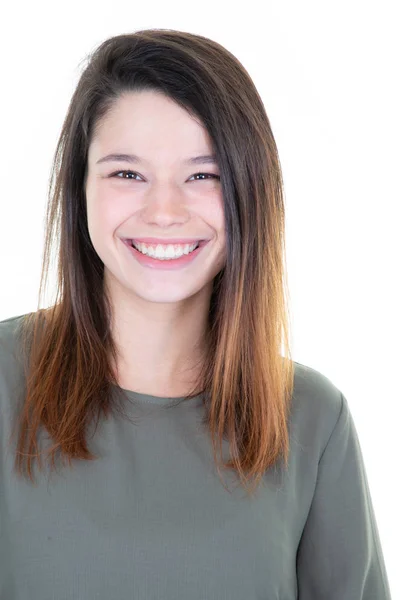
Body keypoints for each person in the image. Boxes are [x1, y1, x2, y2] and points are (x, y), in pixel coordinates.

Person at [0, 29, 392, 599]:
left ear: (250, 194)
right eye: (127, 173)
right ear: (79, 188)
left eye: (203, 175)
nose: (164, 211)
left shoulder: (313, 420)